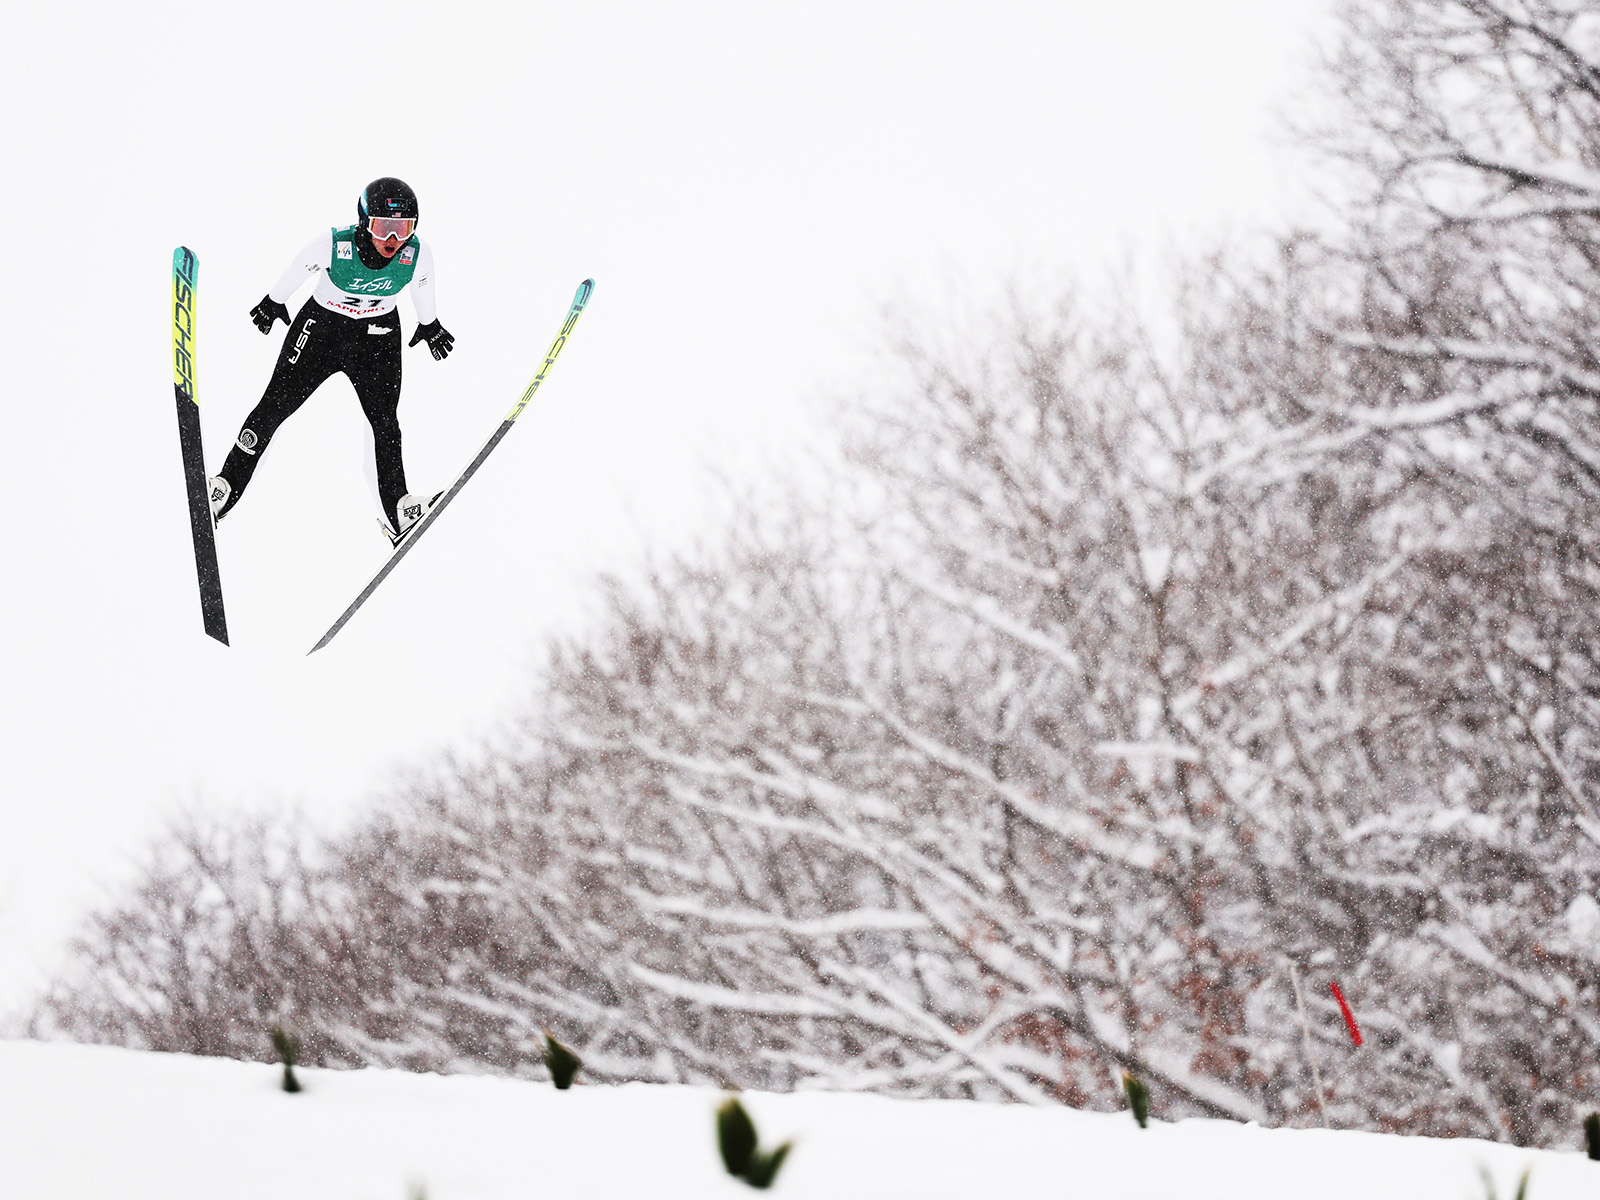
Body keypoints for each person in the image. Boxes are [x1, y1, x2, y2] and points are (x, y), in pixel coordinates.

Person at [207, 177, 455, 542]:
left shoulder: (416, 254)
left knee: (385, 423)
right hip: (322, 332)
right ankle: (224, 487)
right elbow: (299, 267)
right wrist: (274, 301)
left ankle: (399, 510)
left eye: (403, 229)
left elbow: (424, 287)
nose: (392, 239)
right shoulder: (334, 245)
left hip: (377, 339)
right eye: (383, 228)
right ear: (364, 222)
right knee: (273, 407)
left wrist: (429, 323)